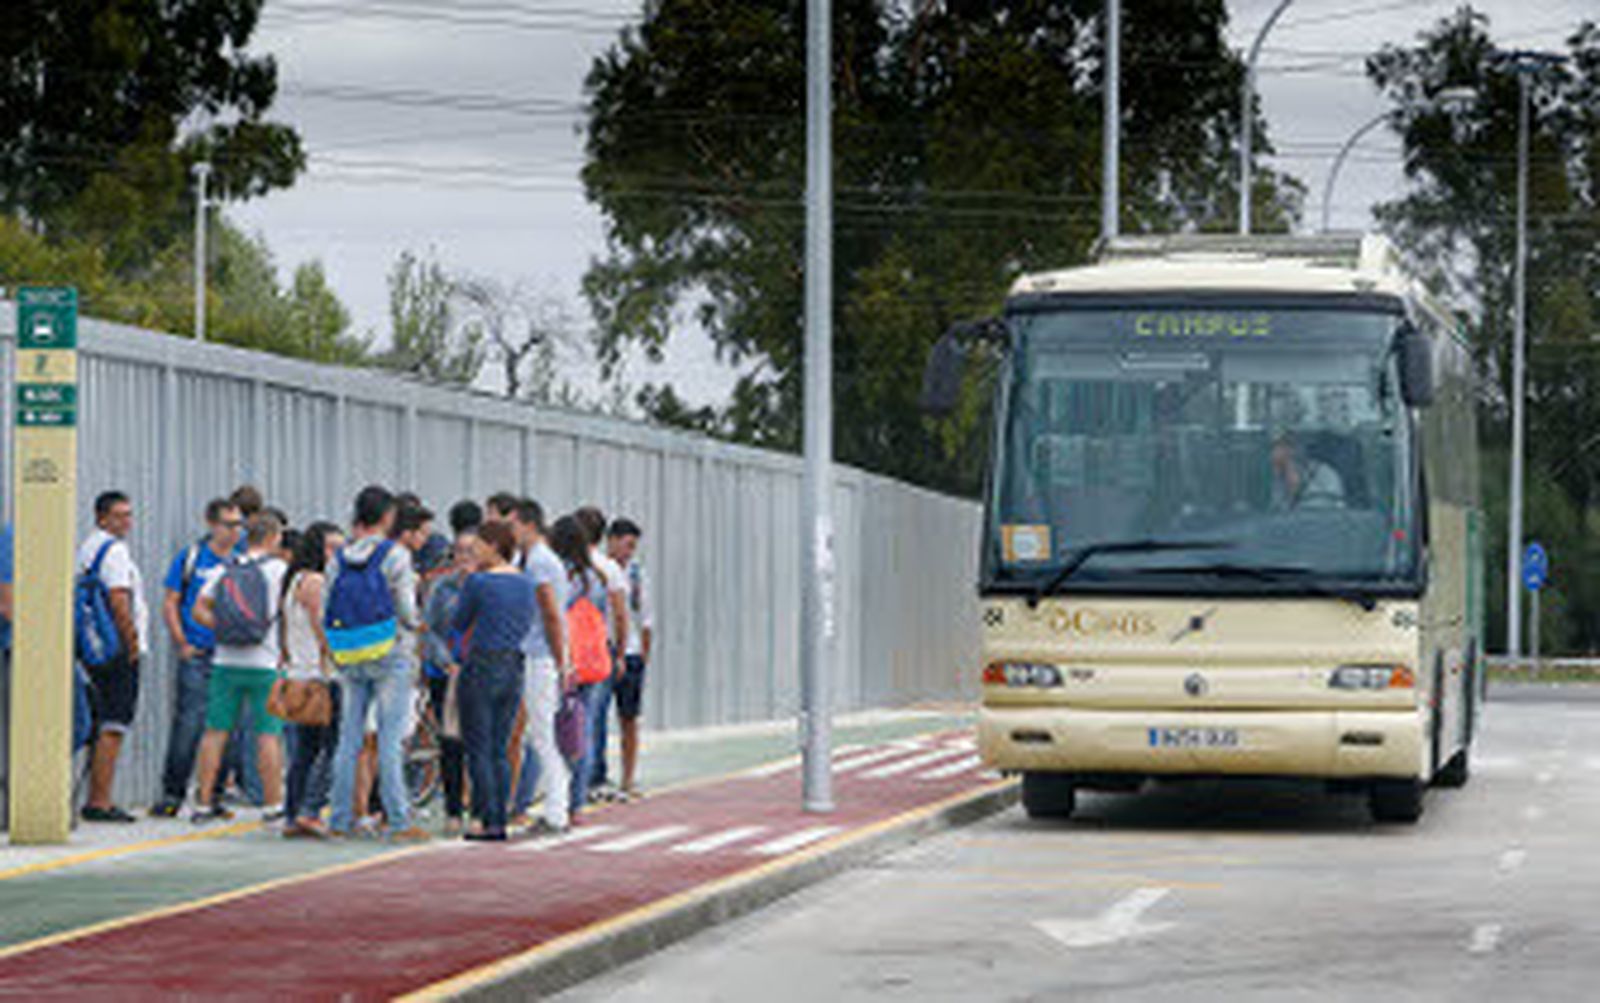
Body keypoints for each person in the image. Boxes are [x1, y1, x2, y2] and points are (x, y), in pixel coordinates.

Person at [325, 486, 429, 842]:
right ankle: (398, 820)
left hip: (350, 653)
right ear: (387, 517)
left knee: (348, 739)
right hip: (390, 652)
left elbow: (328, 604)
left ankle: (339, 820)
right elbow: (405, 608)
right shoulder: (395, 555)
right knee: (388, 739)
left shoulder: (337, 558)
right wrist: (418, 624)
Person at [189, 513, 289, 823]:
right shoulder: (280, 571)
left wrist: (222, 628)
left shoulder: (225, 569)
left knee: (215, 732)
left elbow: (197, 610)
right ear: (272, 537)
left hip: (225, 662)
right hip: (266, 662)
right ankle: (272, 805)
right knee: (267, 735)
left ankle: (203, 802)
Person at [151, 498, 244, 818]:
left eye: (239, 525)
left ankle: (213, 795)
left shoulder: (241, 562)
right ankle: (172, 793)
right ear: (211, 524)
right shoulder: (192, 558)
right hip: (198, 652)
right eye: (229, 524)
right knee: (189, 724)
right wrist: (182, 642)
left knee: (227, 728)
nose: (235, 531)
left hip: (231, 656)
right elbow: (171, 601)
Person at [451, 521, 536, 841]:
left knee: (478, 748)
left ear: (494, 546)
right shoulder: (526, 582)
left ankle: (487, 820)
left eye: (478, 547)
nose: (473, 553)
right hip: (514, 664)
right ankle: (500, 817)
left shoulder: (478, 582)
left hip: (482, 663)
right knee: (500, 748)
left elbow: (459, 622)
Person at [78, 491, 148, 823]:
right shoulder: (115, 551)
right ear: (101, 517)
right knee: (114, 724)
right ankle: (100, 801)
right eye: (119, 515)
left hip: (94, 649)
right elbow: (119, 600)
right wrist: (132, 643)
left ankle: (96, 796)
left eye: (129, 515)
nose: (127, 522)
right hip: (116, 651)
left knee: (102, 721)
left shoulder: (88, 549)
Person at [508, 499, 570, 832]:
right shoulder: (532, 559)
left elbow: (550, 613)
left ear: (529, 524)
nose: (511, 531)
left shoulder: (540, 562)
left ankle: (556, 811)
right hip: (536, 654)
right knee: (539, 733)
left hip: (540, 656)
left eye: (514, 525)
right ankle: (554, 806)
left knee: (544, 734)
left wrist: (561, 661)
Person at [549, 514, 611, 817]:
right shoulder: (596, 578)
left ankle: (557, 801)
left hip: (565, 661)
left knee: (555, 731)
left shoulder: (561, 576)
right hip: (592, 662)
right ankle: (577, 804)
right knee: (581, 731)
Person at [282, 523, 341, 838]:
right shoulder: (316, 581)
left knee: (304, 750)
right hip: (319, 676)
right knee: (334, 744)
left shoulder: (293, 581)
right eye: (331, 547)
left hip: (297, 673)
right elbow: (323, 629)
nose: (337, 554)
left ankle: (294, 812)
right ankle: (311, 809)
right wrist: (339, 658)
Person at [573, 506, 628, 800]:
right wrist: (620, 652)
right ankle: (590, 782)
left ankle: (569, 784)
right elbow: (620, 615)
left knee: (567, 718)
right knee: (593, 718)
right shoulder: (609, 568)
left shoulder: (566, 565)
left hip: (568, 649)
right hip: (597, 650)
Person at [421, 530, 473, 834]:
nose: (464, 559)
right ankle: (453, 809)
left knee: (479, 742)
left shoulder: (486, 585)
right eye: (460, 553)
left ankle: (479, 807)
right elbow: (429, 629)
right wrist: (446, 660)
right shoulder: (442, 588)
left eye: (470, 552)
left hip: (478, 672)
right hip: (445, 674)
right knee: (450, 742)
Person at [606, 518, 653, 799]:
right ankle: (594, 776)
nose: (629, 553)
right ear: (610, 540)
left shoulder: (637, 575)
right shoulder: (600, 569)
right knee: (595, 718)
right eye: (626, 545)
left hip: (631, 652)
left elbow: (647, 619)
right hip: (603, 650)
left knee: (629, 718)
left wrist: (643, 655)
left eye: (633, 547)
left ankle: (628, 777)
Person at [1270, 433, 1346, 511]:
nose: (1286, 451)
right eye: (1275, 447)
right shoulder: (1265, 480)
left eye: (1289, 445)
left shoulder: (1324, 474)